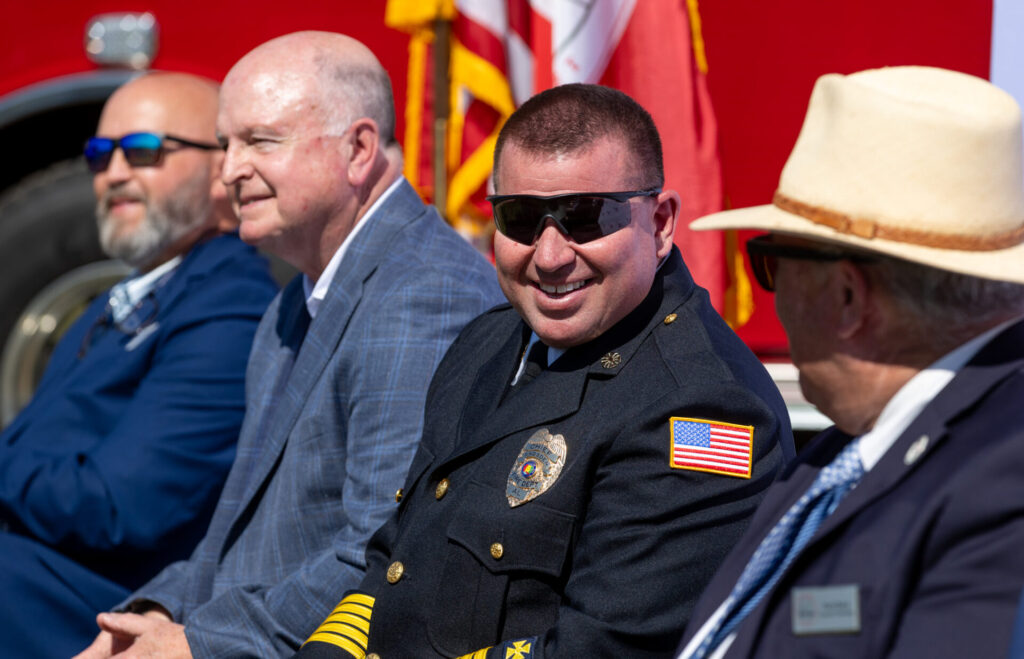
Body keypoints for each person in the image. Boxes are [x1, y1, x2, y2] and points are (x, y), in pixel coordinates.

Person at [297, 83, 793, 659]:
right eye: (521, 218)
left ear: (660, 224)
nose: (551, 255)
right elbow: (397, 560)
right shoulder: (488, 341)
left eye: (585, 218)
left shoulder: (705, 411)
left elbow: (607, 648)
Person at [76, 31, 503, 658]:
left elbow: (383, 552)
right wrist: (150, 614)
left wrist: (194, 645)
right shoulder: (299, 293)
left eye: (260, 142)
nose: (228, 172)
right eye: (226, 144)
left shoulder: (422, 297)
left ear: (358, 149)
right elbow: (244, 531)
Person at [676, 66, 1024, 659]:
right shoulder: (849, 446)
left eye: (772, 263)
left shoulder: (1000, 481)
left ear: (846, 296)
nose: (775, 297)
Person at [0, 72, 278, 657]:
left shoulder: (228, 303)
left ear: (222, 170)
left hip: (93, 605)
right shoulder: (122, 296)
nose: (115, 172)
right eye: (100, 154)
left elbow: (121, 507)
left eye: (146, 150)